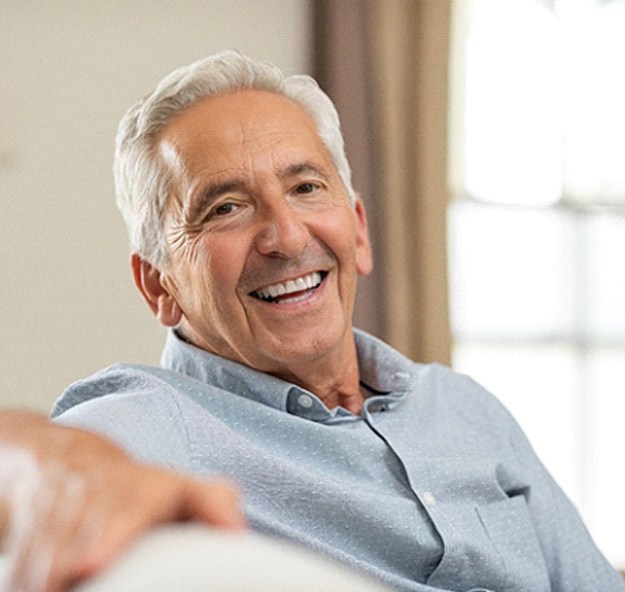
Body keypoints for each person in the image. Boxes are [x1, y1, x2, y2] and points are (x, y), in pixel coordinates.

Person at [2, 50, 624, 592]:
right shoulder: (158, 423)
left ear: (356, 229)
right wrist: (45, 468)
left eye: (305, 188)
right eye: (225, 207)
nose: (285, 234)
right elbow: (33, 461)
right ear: (160, 286)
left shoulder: (465, 407)